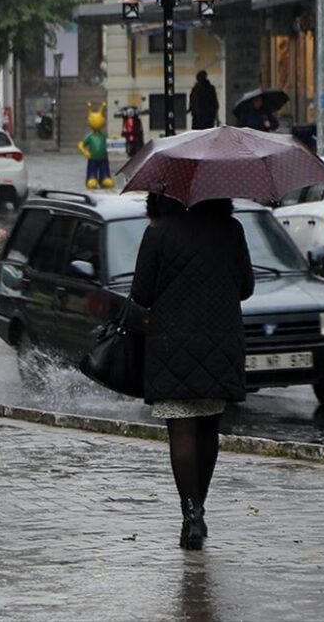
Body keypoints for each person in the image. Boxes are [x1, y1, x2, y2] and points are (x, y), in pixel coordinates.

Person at [130, 195, 254, 551]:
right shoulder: (231, 229)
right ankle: (200, 508)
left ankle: (191, 515)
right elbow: (246, 287)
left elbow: (141, 293)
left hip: (171, 344)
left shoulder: (158, 233)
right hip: (220, 341)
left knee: (181, 429)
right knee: (208, 428)